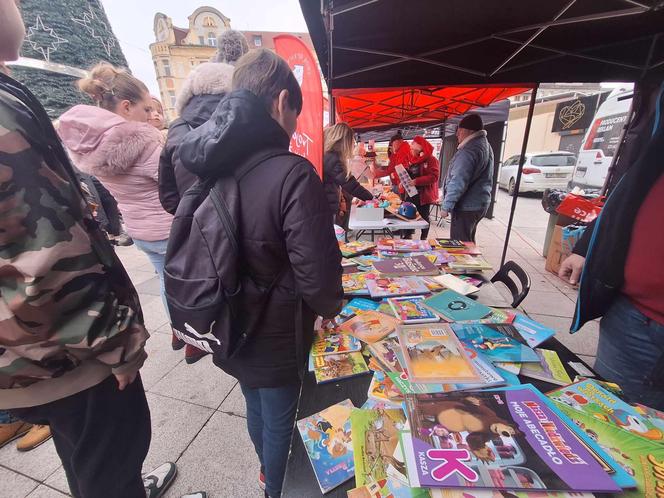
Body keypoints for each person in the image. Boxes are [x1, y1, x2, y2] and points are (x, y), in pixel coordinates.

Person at [0, 1, 176, 496]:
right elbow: (46, 252)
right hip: (64, 345)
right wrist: (115, 346)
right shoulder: (4, 113)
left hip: (28, 340)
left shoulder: (72, 131)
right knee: (110, 457)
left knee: (85, 455)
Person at [176, 49, 343, 498]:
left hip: (224, 316)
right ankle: (277, 487)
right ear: (282, 101)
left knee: (253, 397)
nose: (293, 126)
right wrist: (330, 307)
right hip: (275, 328)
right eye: (294, 114)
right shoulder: (292, 172)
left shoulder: (206, 159)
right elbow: (317, 272)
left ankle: (267, 476)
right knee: (282, 420)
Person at [56, 63, 182, 352]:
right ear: (127, 107)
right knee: (186, 282)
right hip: (167, 227)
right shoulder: (145, 143)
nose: (150, 115)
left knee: (164, 279)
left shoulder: (91, 146)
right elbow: (174, 183)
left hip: (139, 229)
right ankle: (194, 329)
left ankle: (178, 331)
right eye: (145, 108)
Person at [559, 91, 664, 409]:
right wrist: (587, 244)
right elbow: (629, 187)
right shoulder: (656, 110)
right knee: (605, 419)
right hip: (630, 314)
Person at [159, 29, 248, 215]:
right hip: (243, 229)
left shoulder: (177, 128)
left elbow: (168, 198)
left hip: (197, 230)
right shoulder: (250, 125)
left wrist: (193, 216)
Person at [440, 114, 494, 242]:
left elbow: (458, 181)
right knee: (468, 241)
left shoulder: (468, 150)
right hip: (478, 204)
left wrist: (446, 206)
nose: (457, 135)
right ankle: (470, 260)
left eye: (459, 132)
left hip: (467, 206)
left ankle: (464, 262)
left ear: (469, 131)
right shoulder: (484, 144)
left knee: (460, 244)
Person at [323, 123, 374, 222]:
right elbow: (351, 184)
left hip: (325, 205)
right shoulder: (333, 158)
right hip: (327, 206)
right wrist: (371, 198)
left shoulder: (327, 154)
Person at [402, 135, 440, 239]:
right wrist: (403, 181)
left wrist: (417, 181)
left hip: (423, 196)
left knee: (424, 218)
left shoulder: (431, 160)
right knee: (408, 215)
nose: (411, 150)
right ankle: (408, 236)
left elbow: (434, 177)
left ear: (420, 149)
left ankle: (423, 239)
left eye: (412, 149)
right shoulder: (413, 160)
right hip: (411, 194)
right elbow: (411, 174)